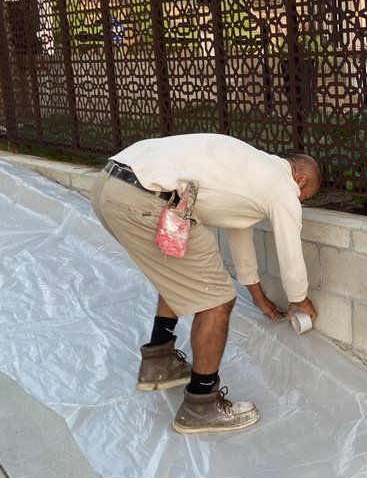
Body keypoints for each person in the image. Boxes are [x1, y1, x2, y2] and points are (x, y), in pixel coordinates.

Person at [90, 134, 320, 434]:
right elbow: (289, 246)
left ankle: (159, 361)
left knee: (177, 274)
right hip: (145, 198)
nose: (301, 201)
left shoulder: (252, 169)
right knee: (219, 298)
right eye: (307, 196)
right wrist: (299, 298)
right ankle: (201, 403)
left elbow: (239, 232)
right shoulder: (282, 186)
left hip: (110, 184)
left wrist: (258, 296)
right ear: (300, 179)